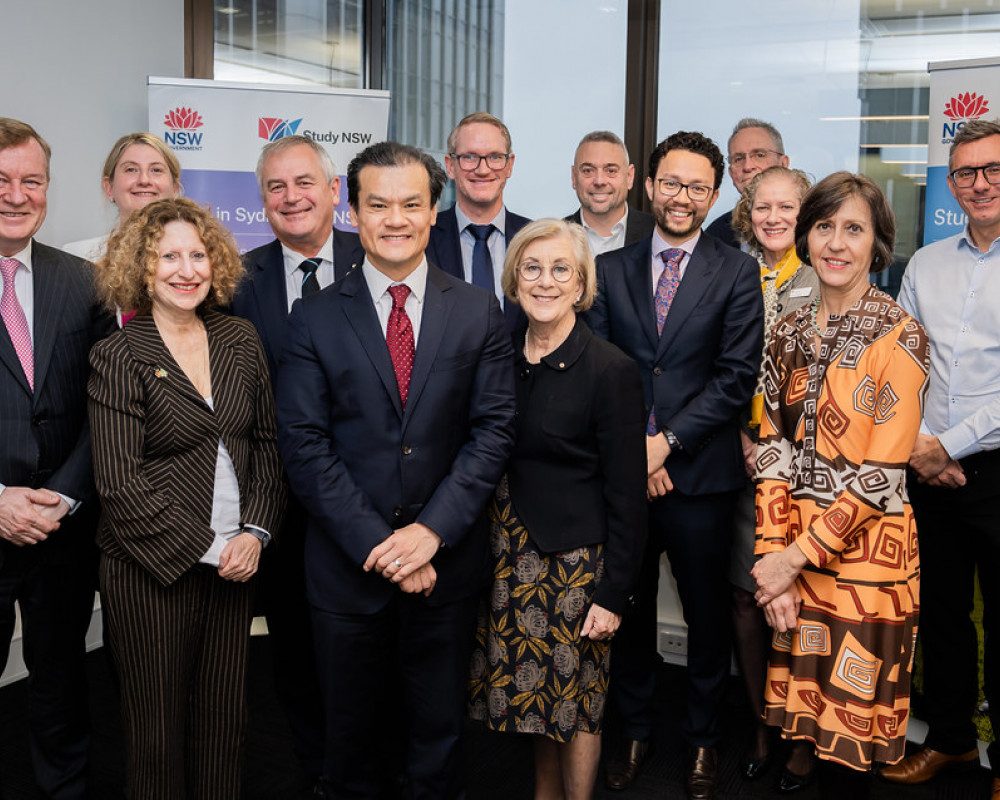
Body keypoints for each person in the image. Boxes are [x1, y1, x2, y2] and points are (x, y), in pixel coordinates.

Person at [276, 140, 516, 799]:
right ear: (351, 211)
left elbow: (493, 432)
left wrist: (429, 535)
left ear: (434, 210)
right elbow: (304, 444)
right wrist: (381, 548)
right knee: (350, 740)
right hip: (348, 568)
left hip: (446, 564)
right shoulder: (316, 316)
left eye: (411, 203)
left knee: (437, 738)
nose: (396, 218)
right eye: (378, 204)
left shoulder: (477, 310)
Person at [87, 197, 286, 799]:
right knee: (155, 734)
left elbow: (267, 447)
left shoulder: (240, 338)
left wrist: (254, 533)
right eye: (168, 256)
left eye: (197, 254)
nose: (186, 269)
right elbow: (120, 484)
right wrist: (210, 548)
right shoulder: (118, 355)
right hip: (150, 571)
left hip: (237, 564)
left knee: (225, 724)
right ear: (141, 269)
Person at [586, 131, 763, 799]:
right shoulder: (611, 269)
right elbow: (606, 372)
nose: (681, 196)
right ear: (650, 185)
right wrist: (640, 445)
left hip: (700, 478)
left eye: (696, 187)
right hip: (629, 475)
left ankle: (702, 742)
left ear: (713, 195)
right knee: (626, 606)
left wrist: (667, 443)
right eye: (671, 182)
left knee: (707, 614)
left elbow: (735, 375)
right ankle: (632, 731)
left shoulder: (735, 272)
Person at [752, 172, 929, 799]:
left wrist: (791, 559)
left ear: (878, 242)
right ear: (805, 236)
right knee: (804, 725)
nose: (836, 242)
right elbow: (770, 449)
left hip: (868, 570)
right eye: (824, 226)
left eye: (853, 228)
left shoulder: (899, 335)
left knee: (852, 756)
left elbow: (882, 476)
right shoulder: (787, 331)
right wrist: (771, 560)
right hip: (795, 557)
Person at [468, 219, 647, 799]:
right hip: (505, 557)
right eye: (532, 268)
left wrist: (614, 595)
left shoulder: (609, 368)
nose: (545, 282)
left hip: (573, 568)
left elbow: (627, 494)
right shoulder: (498, 355)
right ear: (514, 279)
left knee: (578, 705)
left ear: (581, 285)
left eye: (560, 270)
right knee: (532, 703)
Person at [231, 135, 364, 794]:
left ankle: (368, 765)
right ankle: (318, 768)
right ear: (263, 201)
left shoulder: (381, 264)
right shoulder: (233, 280)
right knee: (294, 650)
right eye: (277, 187)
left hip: (367, 501)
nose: (292, 197)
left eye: (305, 182)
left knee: (366, 650)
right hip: (277, 504)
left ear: (334, 191)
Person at [881, 118, 1000, 795]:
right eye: (966, 172)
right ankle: (953, 742)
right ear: (951, 182)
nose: (979, 183)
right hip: (927, 470)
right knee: (943, 615)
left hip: (993, 469)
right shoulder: (927, 262)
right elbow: (901, 361)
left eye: (992, 169)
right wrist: (922, 446)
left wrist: (946, 445)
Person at [0, 117, 114, 800]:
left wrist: (64, 495)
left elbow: (108, 406)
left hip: (62, 528)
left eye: (31, 180)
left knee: (60, 687)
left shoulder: (84, 282)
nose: (17, 194)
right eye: (2, 180)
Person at [728, 165, 817, 785]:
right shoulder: (732, 272)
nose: (775, 217)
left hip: (809, 468)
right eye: (764, 206)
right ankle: (760, 722)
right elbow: (717, 362)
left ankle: (802, 735)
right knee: (745, 595)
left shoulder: (825, 275)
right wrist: (739, 437)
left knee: (804, 601)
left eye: (789, 206)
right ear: (748, 211)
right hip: (744, 459)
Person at [426, 111, 531, 329]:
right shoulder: (424, 237)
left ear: (509, 165)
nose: (482, 170)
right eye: (469, 157)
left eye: (494, 157)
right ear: (450, 165)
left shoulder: (533, 238)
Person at [63, 132, 181, 262]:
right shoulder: (78, 257)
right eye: (131, 169)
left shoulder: (202, 256)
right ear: (109, 187)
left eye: (156, 170)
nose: (144, 180)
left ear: (175, 188)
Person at [565, 131, 655, 256]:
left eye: (611, 171)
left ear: (629, 177)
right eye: (588, 171)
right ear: (574, 177)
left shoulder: (656, 234)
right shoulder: (553, 238)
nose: (599, 181)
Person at [705, 119, 788, 249]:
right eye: (738, 159)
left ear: (783, 164)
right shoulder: (716, 236)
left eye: (759, 155)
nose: (748, 166)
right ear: (731, 173)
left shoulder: (813, 222)